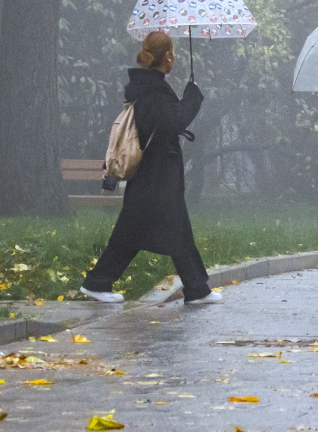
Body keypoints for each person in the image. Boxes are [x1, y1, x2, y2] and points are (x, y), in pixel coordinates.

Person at [81, 31, 221, 305]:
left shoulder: (145, 86)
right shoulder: (154, 90)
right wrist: (193, 97)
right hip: (157, 174)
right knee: (151, 230)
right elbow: (174, 121)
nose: (175, 59)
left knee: (144, 230)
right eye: (173, 54)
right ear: (167, 56)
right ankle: (99, 283)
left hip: (152, 174)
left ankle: (196, 289)